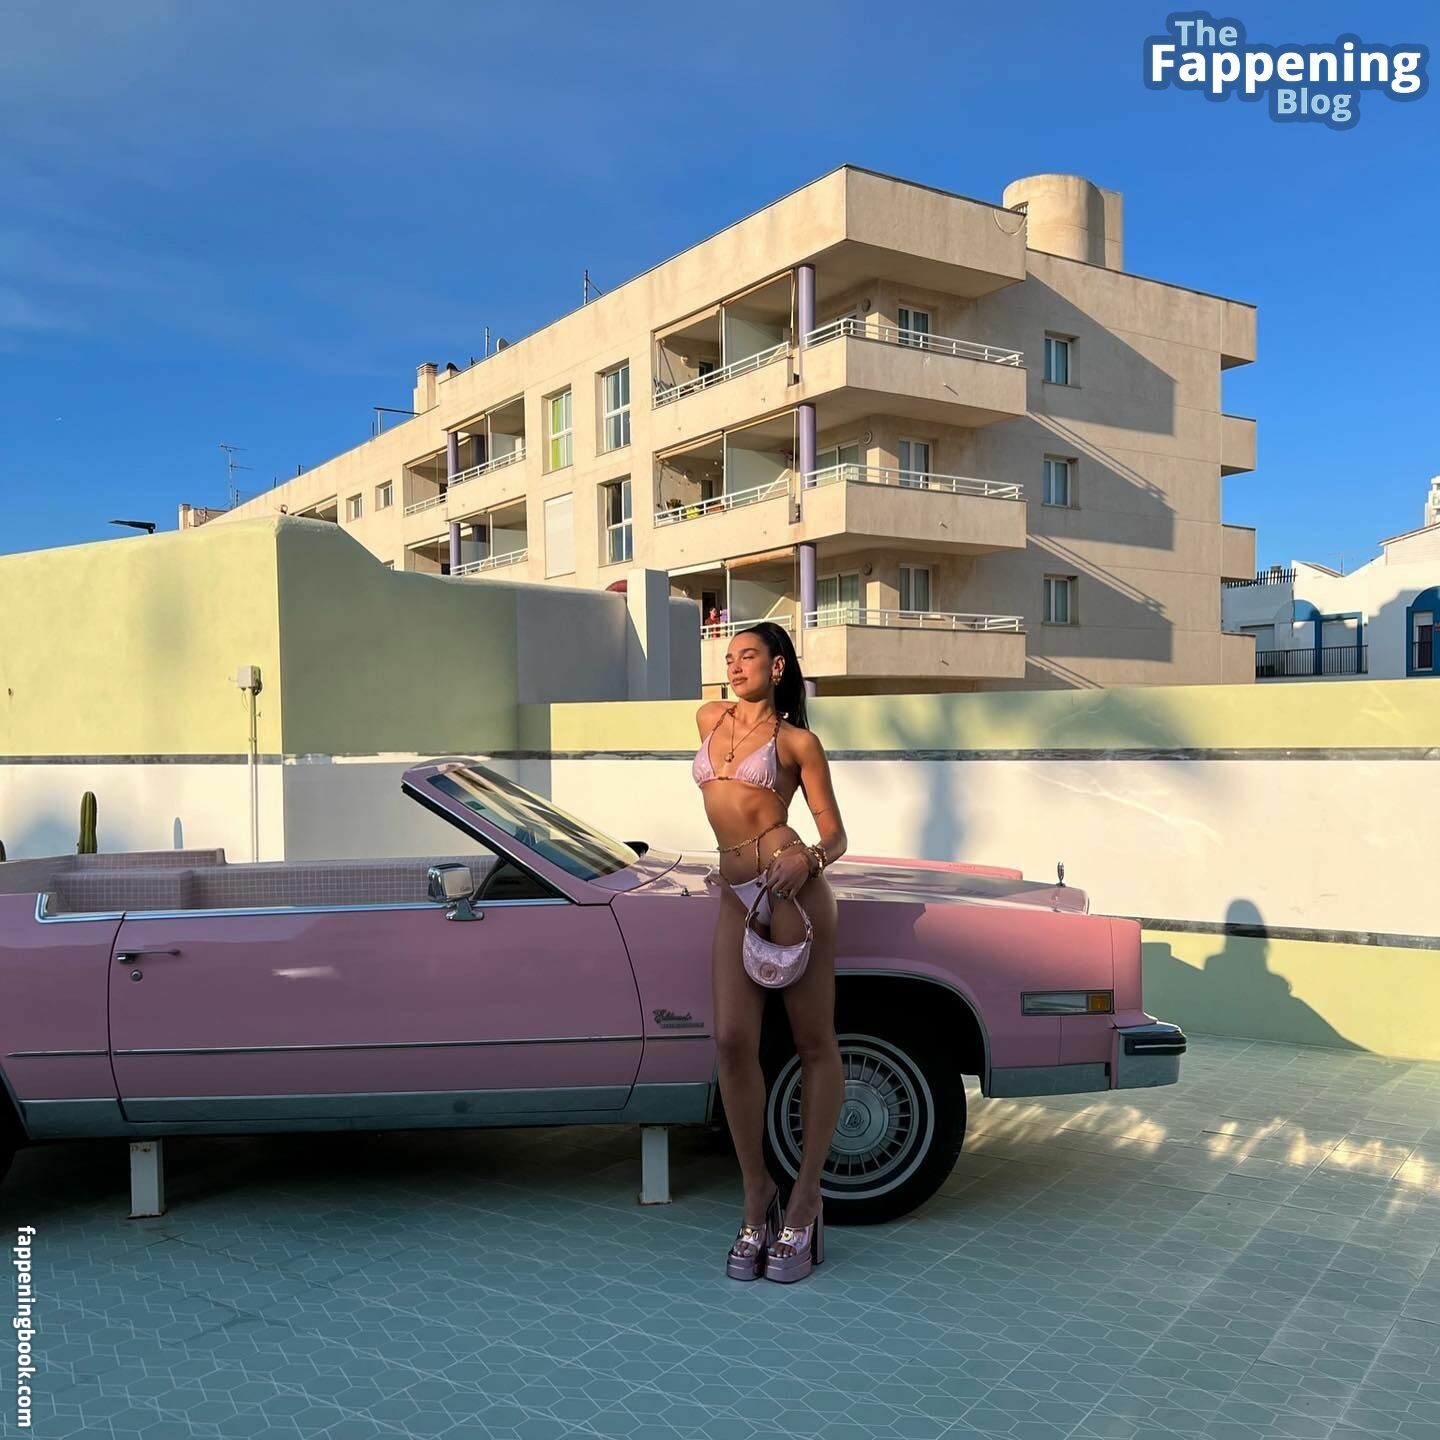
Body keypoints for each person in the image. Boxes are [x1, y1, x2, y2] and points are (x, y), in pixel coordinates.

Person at [691, 622, 847, 1283]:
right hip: (734, 893)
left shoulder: (796, 742)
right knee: (731, 1041)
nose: (735, 665)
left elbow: (835, 834)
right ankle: (757, 1193)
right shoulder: (708, 718)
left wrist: (807, 859)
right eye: (729, 657)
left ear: (777, 666)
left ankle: (806, 1199)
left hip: (790, 891)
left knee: (814, 1043)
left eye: (748, 655)